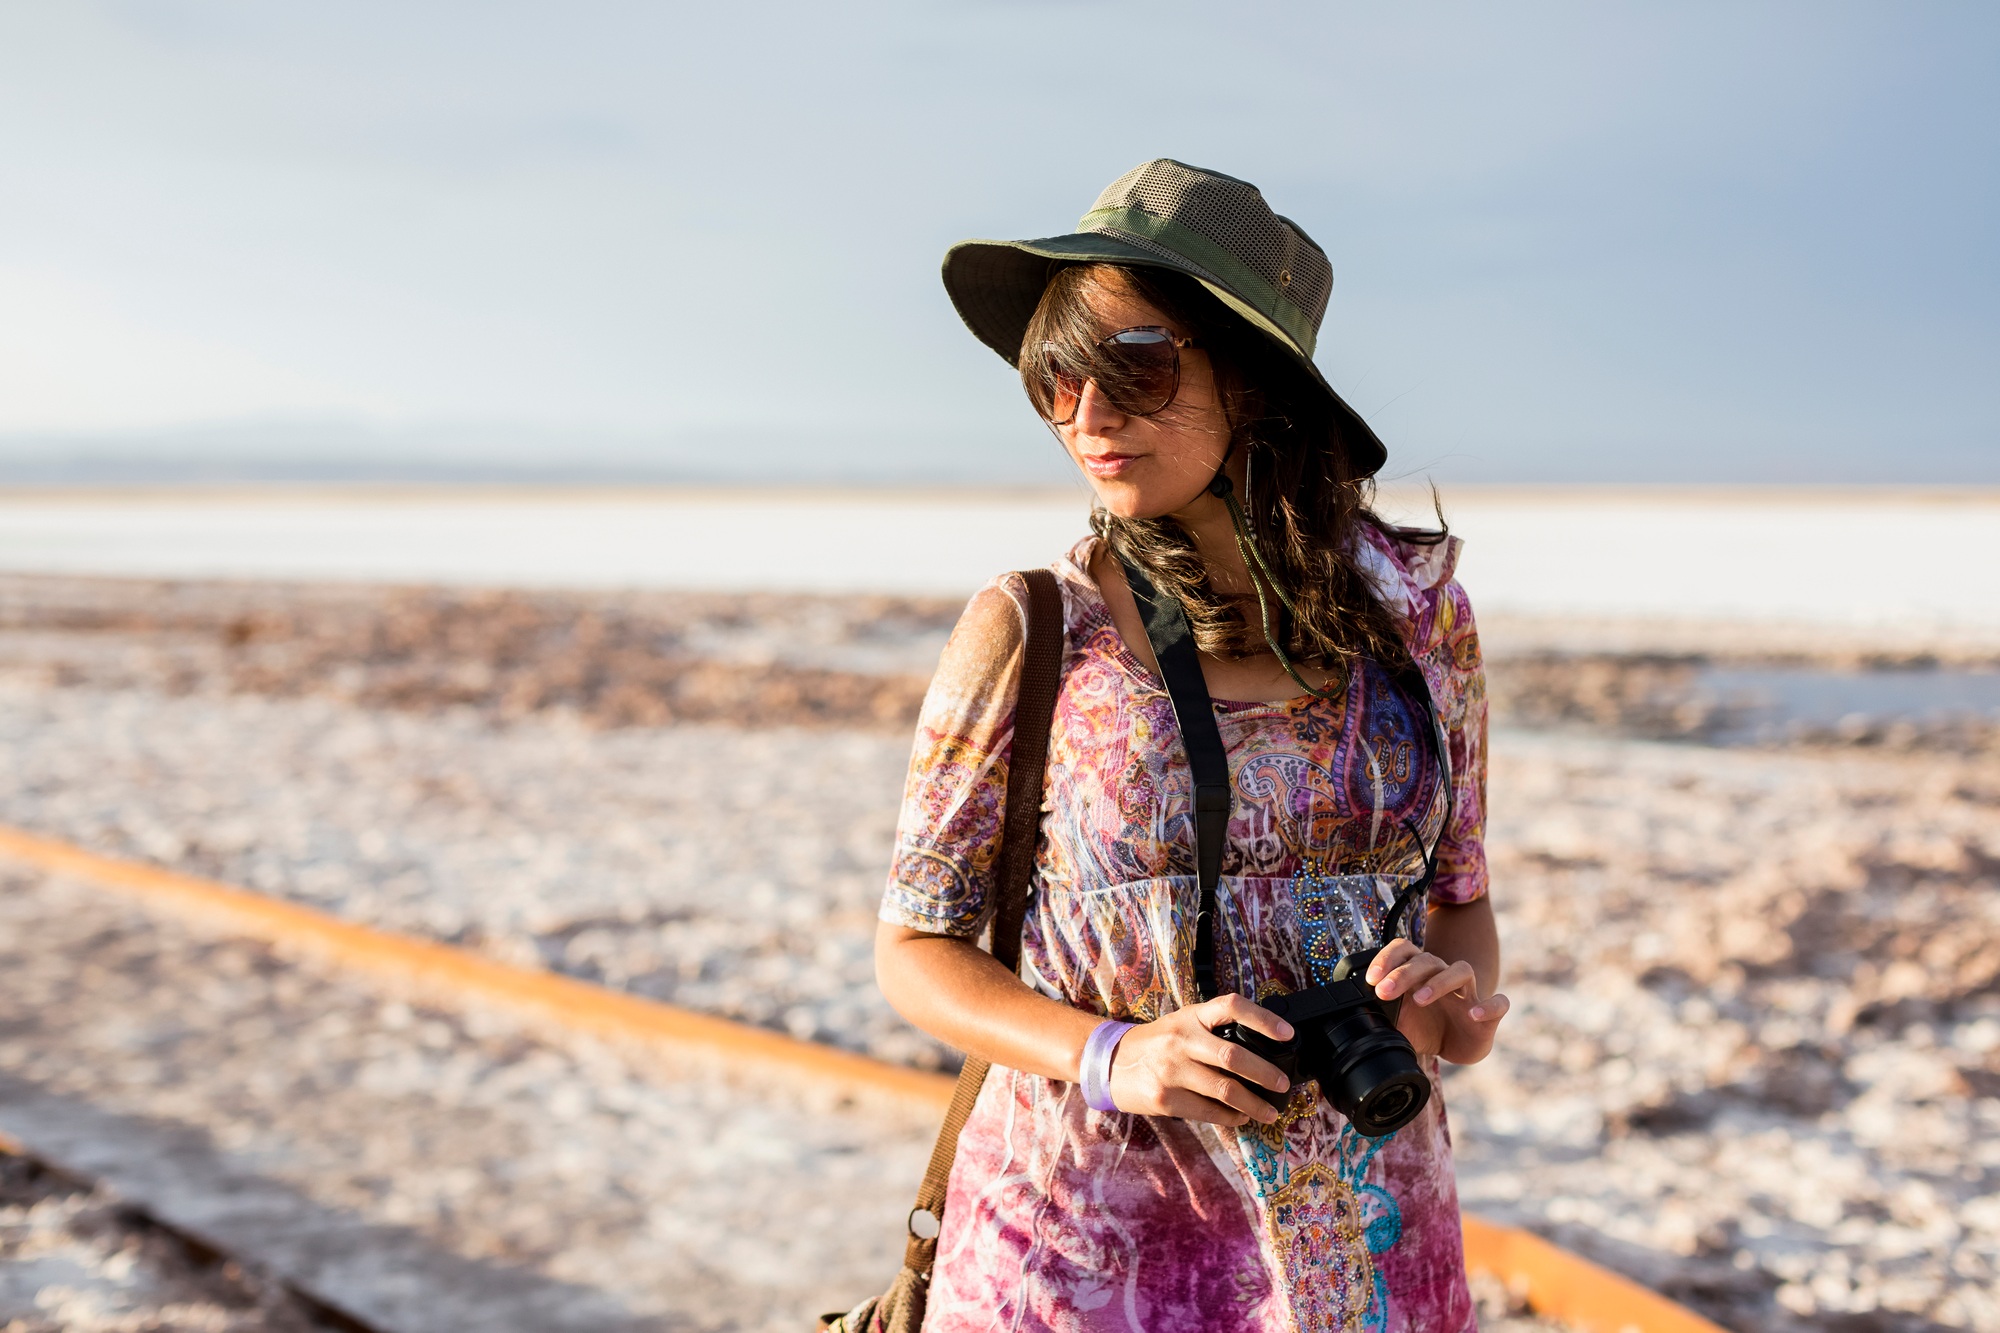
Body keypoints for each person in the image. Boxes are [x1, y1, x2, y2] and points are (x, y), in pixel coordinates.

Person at [875, 159, 1507, 1332]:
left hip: (1369, 1257)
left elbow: (1460, 898)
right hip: (1076, 1263)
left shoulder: (1422, 620)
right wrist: (1118, 1054)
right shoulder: (1031, 627)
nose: (1087, 418)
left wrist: (1449, 1006)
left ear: (1255, 379)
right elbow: (913, 948)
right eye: (1054, 382)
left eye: (1134, 367)